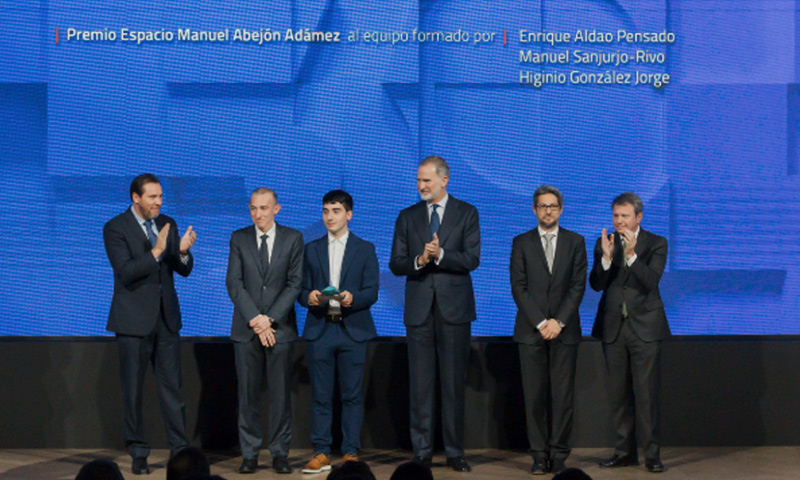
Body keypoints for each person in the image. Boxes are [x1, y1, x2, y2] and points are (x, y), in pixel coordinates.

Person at [389, 155, 480, 472]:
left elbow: (472, 259)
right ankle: (422, 451)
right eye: (418, 180)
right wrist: (420, 260)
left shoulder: (466, 212)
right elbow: (396, 263)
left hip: (454, 310)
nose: (421, 186)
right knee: (421, 385)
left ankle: (455, 452)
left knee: (454, 384)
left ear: (444, 180)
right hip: (418, 311)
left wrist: (440, 254)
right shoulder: (407, 216)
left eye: (426, 180)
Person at [103, 173, 197, 475]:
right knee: (133, 391)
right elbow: (126, 271)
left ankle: (179, 452)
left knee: (173, 390)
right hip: (132, 321)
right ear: (136, 198)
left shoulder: (166, 221)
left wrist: (182, 251)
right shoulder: (115, 228)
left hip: (166, 319)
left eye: (160, 196)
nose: (159, 202)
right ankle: (138, 451)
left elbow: (181, 271)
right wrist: (157, 250)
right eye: (152, 197)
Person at [298, 190, 379, 473]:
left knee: (352, 395)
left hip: (352, 329)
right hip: (321, 328)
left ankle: (350, 453)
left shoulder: (365, 248)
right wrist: (308, 296)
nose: (329, 216)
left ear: (349, 214)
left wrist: (352, 298)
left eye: (335, 211)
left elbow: (372, 292)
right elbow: (300, 288)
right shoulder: (311, 248)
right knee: (320, 395)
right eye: (325, 211)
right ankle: (320, 452)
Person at [590, 192, 670, 473]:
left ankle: (651, 456)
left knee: (646, 395)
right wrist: (606, 260)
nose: (619, 221)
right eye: (615, 216)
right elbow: (596, 285)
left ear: (639, 216)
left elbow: (651, 280)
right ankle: (624, 452)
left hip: (645, 328)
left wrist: (633, 256)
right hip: (614, 329)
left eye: (625, 216)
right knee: (619, 395)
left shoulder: (657, 243)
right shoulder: (605, 243)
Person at [510, 185, 587, 475]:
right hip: (531, 332)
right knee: (535, 398)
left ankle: (560, 456)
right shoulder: (521, 242)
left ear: (561, 209)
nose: (548, 211)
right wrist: (542, 323)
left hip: (565, 332)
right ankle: (539, 456)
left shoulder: (575, 242)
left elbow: (578, 286)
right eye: (542, 206)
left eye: (553, 206)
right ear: (534, 210)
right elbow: (519, 287)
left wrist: (559, 322)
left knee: (563, 398)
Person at [226, 187, 304, 474]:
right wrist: (256, 321)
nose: (258, 214)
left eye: (263, 208)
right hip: (246, 330)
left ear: (276, 209)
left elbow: (295, 284)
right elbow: (234, 283)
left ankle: (280, 453)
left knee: (281, 396)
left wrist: (269, 319)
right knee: (247, 396)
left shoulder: (293, 238)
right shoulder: (239, 238)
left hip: (280, 329)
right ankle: (249, 454)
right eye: (253, 208)